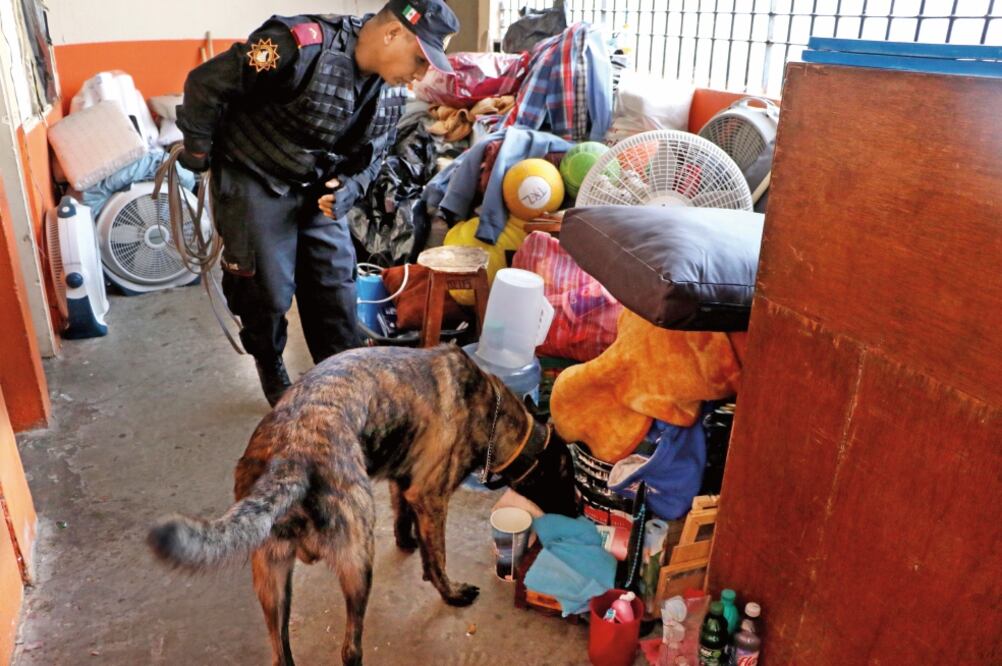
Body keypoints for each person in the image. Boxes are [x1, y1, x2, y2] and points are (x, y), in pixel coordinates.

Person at [176, 0, 460, 406]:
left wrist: (352, 187)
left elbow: (375, 155)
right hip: (256, 174)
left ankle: (342, 377)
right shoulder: (297, 45)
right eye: (420, 57)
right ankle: (269, 360)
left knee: (334, 285)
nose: (421, 73)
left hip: (315, 189)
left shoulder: (391, 91)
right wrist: (198, 149)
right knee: (268, 289)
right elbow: (207, 82)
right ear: (392, 33)